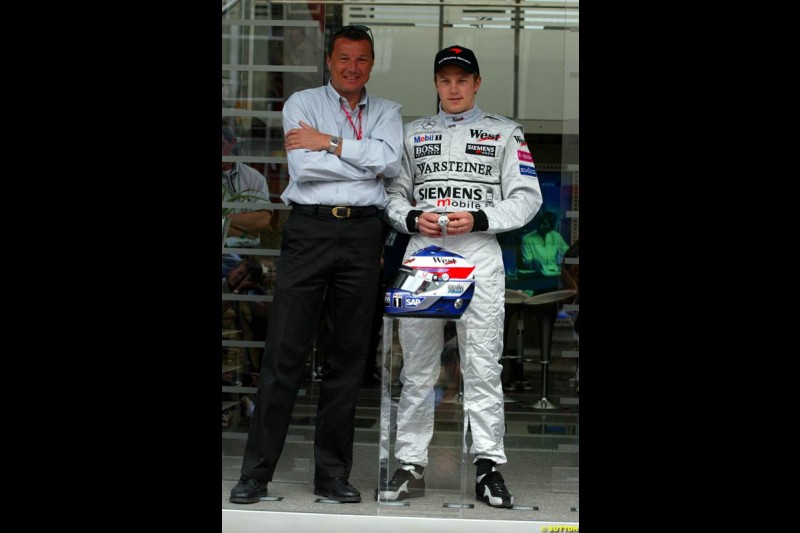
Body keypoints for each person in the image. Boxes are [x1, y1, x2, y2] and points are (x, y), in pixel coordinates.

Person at [229, 24, 403, 504]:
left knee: (348, 360)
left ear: (372, 63)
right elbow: (305, 168)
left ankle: (331, 475)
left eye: (362, 59)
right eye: (344, 58)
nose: (352, 67)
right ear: (330, 60)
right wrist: (363, 159)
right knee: (284, 355)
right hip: (308, 231)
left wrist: (328, 142)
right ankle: (255, 474)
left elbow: (391, 164)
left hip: (364, 234)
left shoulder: (388, 112)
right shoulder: (302, 104)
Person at [379, 45, 543, 508]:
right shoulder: (412, 134)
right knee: (416, 368)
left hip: (477, 252)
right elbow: (392, 195)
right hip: (425, 253)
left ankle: (488, 465)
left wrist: (479, 217)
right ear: (435, 83)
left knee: (482, 366)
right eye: (445, 79)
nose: (453, 87)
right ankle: (409, 462)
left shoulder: (505, 133)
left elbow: (527, 197)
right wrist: (412, 219)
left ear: (477, 84)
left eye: (462, 80)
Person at [222, 125, 271, 249]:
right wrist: (243, 233)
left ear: (232, 143)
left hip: (245, 254)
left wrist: (225, 219)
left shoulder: (253, 177)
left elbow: (263, 220)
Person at [520, 210, 569, 277]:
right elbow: (527, 261)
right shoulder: (527, 239)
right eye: (540, 223)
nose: (540, 226)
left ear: (551, 226)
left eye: (544, 224)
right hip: (537, 275)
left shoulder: (556, 236)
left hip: (554, 273)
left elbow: (568, 253)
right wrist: (532, 263)